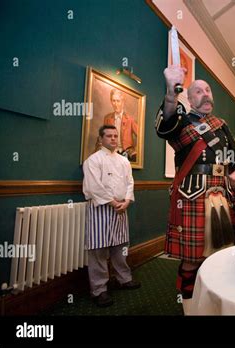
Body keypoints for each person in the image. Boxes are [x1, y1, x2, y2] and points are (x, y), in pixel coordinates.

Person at [155, 65, 235, 308]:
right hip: (192, 195)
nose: (205, 94)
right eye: (198, 91)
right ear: (189, 97)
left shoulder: (221, 124)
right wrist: (171, 94)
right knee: (192, 257)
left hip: (220, 192)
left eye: (208, 90)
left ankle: (215, 300)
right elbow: (164, 127)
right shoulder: (180, 120)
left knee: (220, 252)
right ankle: (190, 306)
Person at [82, 125, 140, 307]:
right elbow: (93, 186)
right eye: (109, 136)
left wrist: (127, 202)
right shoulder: (93, 160)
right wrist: (114, 203)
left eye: (116, 136)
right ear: (101, 139)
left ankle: (124, 279)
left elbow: (130, 182)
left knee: (120, 246)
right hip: (101, 208)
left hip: (122, 208)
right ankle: (99, 290)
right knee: (98, 250)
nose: (114, 139)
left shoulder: (124, 161)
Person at [103, 89, 138, 161]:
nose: (115, 104)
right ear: (111, 101)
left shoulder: (130, 119)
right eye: (113, 101)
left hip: (127, 153)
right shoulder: (107, 118)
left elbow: (141, 137)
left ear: (123, 102)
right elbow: (103, 137)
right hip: (111, 152)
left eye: (118, 101)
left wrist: (135, 150)